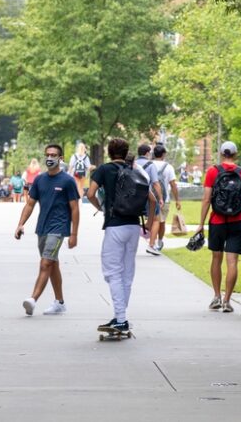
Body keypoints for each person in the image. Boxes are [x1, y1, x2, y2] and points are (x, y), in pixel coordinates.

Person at [87, 138, 156, 334]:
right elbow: (151, 199)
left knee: (112, 272)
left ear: (109, 152)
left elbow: (91, 193)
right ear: (126, 152)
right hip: (134, 226)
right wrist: (149, 223)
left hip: (115, 225)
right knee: (127, 273)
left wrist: (101, 208)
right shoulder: (135, 169)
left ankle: (121, 319)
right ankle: (121, 316)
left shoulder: (104, 170)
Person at [15, 144, 80, 316]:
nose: (50, 158)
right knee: (52, 264)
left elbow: (75, 208)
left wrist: (74, 234)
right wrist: (20, 224)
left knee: (45, 263)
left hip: (58, 228)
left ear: (61, 158)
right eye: (48, 155)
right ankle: (60, 302)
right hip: (42, 228)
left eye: (54, 155)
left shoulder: (67, 181)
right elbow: (30, 204)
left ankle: (32, 299)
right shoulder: (39, 180)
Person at [195, 141, 241, 313]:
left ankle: (216, 297)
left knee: (216, 258)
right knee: (232, 261)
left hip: (217, 222)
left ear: (221, 154)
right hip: (237, 222)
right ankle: (227, 301)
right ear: (235, 154)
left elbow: (206, 199)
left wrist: (201, 224)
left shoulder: (213, 171)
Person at [150, 145, 181, 251]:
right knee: (161, 221)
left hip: (150, 198)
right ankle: (159, 241)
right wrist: (177, 200)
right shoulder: (169, 167)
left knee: (152, 220)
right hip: (165, 199)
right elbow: (173, 185)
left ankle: (151, 242)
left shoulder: (149, 165)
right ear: (163, 154)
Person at [136, 144, 164, 255]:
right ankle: (151, 245)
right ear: (147, 153)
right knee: (156, 219)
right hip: (147, 197)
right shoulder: (150, 165)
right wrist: (160, 198)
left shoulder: (133, 163)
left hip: (132, 198)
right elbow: (155, 183)